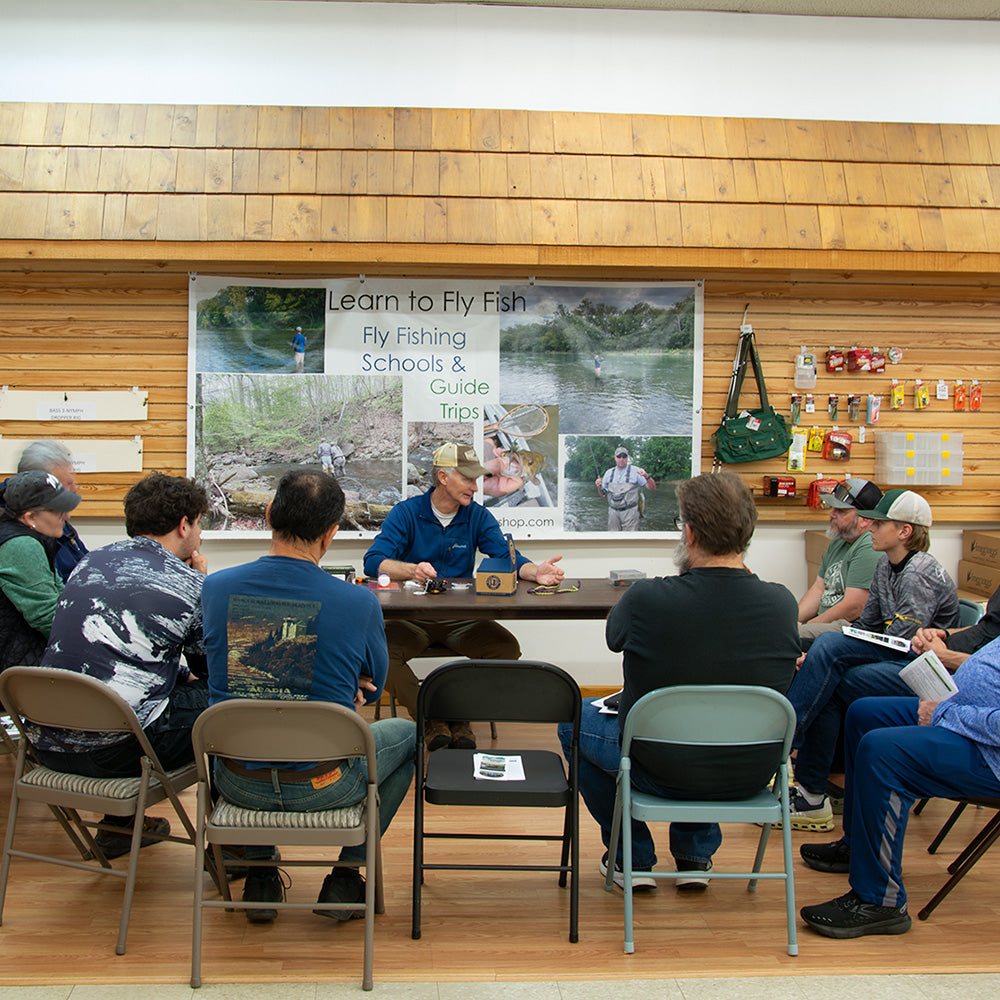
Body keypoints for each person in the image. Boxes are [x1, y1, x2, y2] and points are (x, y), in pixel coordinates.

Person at [559, 472, 799, 891]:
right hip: (750, 770)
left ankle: (630, 857)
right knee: (713, 723)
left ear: (689, 534)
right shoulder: (782, 603)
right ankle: (694, 856)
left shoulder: (647, 597)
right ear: (747, 536)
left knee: (572, 721)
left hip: (656, 767)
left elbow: (615, 638)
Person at [202, 469, 414, 923]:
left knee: (253, 707)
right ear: (331, 534)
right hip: (325, 784)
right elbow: (373, 682)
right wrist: (340, 679)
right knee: (409, 737)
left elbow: (221, 668)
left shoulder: (215, 588)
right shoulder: (358, 602)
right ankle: (345, 875)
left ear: (267, 515)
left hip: (237, 783)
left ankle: (259, 873)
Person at [27, 472, 211, 860]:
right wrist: (201, 584)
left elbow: (120, 655)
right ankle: (238, 854)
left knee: (131, 695)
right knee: (227, 704)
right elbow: (210, 670)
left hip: (46, 743)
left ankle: (116, 831)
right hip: (115, 753)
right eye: (198, 524)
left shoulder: (88, 564)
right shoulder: (188, 583)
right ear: (184, 525)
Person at [363, 442, 565, 750]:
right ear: (443, 477)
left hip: (464, 621)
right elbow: (373, 561)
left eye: (477, 479)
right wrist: (410, 570)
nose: (475, 486)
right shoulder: (406, 513)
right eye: (468, 479)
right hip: (411, 621)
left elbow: (509, 558)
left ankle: (460, 717)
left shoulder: (478, 517)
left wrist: (536, 572)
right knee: (380, 658)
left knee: (507, 650)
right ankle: (431, 720)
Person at [798, 635, 1000, 939]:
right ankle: (859, 848)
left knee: (883, 751)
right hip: (966, 717)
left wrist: (945, 714)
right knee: (865, 714)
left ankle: (880, 901)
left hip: (990, 751)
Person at [785, 488, 959, 832]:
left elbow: (910, 641)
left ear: (905, 531)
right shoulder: (885, 565)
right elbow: (866, 625)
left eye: (879, 523)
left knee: (831, 653)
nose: (870, 527)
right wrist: (821, 657)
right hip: (896, 654)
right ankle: (810, 794)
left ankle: (783, 742)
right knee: (830, 668)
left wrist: (829, 654)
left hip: (924, 671)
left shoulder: (918, 571)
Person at [0, 470, 81, 672]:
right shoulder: (21, 545)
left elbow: (60, 595)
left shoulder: (32, 538)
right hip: (17, 666)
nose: (67, 515)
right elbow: (47, 616)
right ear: (31, 517)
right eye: (58, 510)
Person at [798, 478, 882, 651]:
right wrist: (792, 621)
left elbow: (854, 607)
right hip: (825, 624)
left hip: (848, 628)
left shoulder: (869, 546)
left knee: (784, 640)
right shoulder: (840, 540)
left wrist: (805, 627)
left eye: (840, 511)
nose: (831, 514)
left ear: (865, 519)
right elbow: (819, 589)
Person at [15, 439, 89, 581]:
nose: (75, 489)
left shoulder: (58, 521)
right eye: (67, 484)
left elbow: (85, 563)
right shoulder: (22, 544)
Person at [595, 447, 655, 532]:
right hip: (613, 513)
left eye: (624, 456)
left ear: (627, 458)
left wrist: (646, 476)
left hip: (630, 512)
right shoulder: (608, 473)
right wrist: (598, 487)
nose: (621, 459)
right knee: (613, 539)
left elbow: (652, 487)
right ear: (615, 458)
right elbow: (603, 494)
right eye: (619, 456)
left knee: (629, 540)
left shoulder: (636, 471)